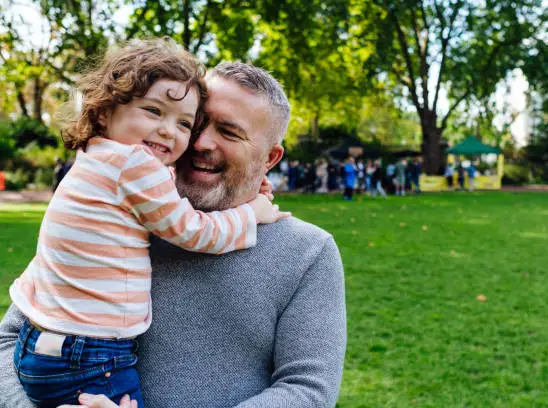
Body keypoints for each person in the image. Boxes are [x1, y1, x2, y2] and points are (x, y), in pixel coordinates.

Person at [0, 61, 346, 408]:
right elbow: (10, 337)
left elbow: (307, 391)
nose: (200, 142)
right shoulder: (112, 213)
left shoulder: (307, 252)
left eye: (228, 132)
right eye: (196, 124)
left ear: (269, 158)